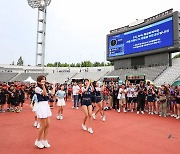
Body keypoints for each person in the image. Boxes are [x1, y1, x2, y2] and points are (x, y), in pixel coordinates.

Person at [34, 76, 56, 149]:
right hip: (41, 106)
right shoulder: (37, 88)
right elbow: (44, 93)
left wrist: (54, 85)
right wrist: (43, 86)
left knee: (48, 125)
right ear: (39, 81)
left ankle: (45, 140)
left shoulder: (45, 87)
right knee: (43, 125)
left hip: (46, 105)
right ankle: (38, 140)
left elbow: (52, 93)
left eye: (44, 79)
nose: (44, 81)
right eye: (42, 80)